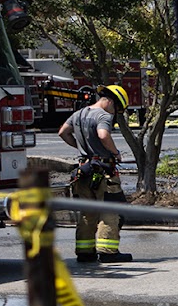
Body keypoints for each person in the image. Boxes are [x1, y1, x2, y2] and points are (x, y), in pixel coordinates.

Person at [57, 85, 134, 264]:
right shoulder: (103, 115)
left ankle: (85, 252)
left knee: (87, 212)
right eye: (116, 109)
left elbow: (63, 132)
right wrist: (115, 153)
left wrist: (80, 148)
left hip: (83, 171)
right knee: (110, 210)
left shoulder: (79, 113)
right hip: (103, 171)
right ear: (111, 101)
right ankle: (108, 252)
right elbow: (103, 134)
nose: (115, 113)